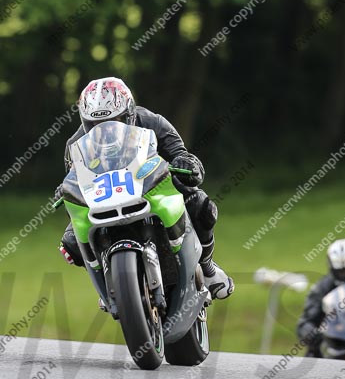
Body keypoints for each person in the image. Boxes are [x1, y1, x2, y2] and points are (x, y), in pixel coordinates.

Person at [55, 77, 234, 301]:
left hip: (152, 182)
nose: (106, 130)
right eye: (94, 125)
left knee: (202, 207)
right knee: (70, 245)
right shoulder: (76, 143)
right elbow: (75, 180)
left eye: (117, 120)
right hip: (104, 196)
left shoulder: (152, 121)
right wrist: (65, 190)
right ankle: (111, 280)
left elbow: (180, 153)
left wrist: (188, 164)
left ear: (129, 112)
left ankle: (207, 268)